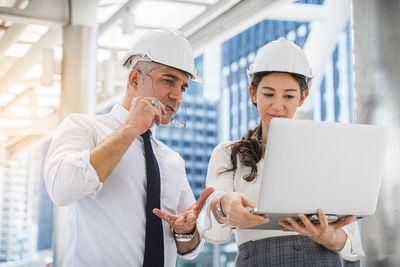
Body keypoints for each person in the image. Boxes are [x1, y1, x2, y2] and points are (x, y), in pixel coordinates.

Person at [44, 29, 214, 267]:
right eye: (168, 81)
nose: (176, 95)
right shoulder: (84, 127)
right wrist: (132, 128)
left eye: (183, 87)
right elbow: (62, 189)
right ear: (134, 79)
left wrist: (186, 230)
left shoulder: (172, 160)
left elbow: (189, 250)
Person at [202, 38, 364, 266]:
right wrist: (226, 205)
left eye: (288, 96)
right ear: (253, 93)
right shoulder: (229, 153)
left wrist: (329, 236)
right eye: (268, 94)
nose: (277, 106)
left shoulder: (325, 151)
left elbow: (350, 241)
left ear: (302, 97)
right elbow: (214, 220)